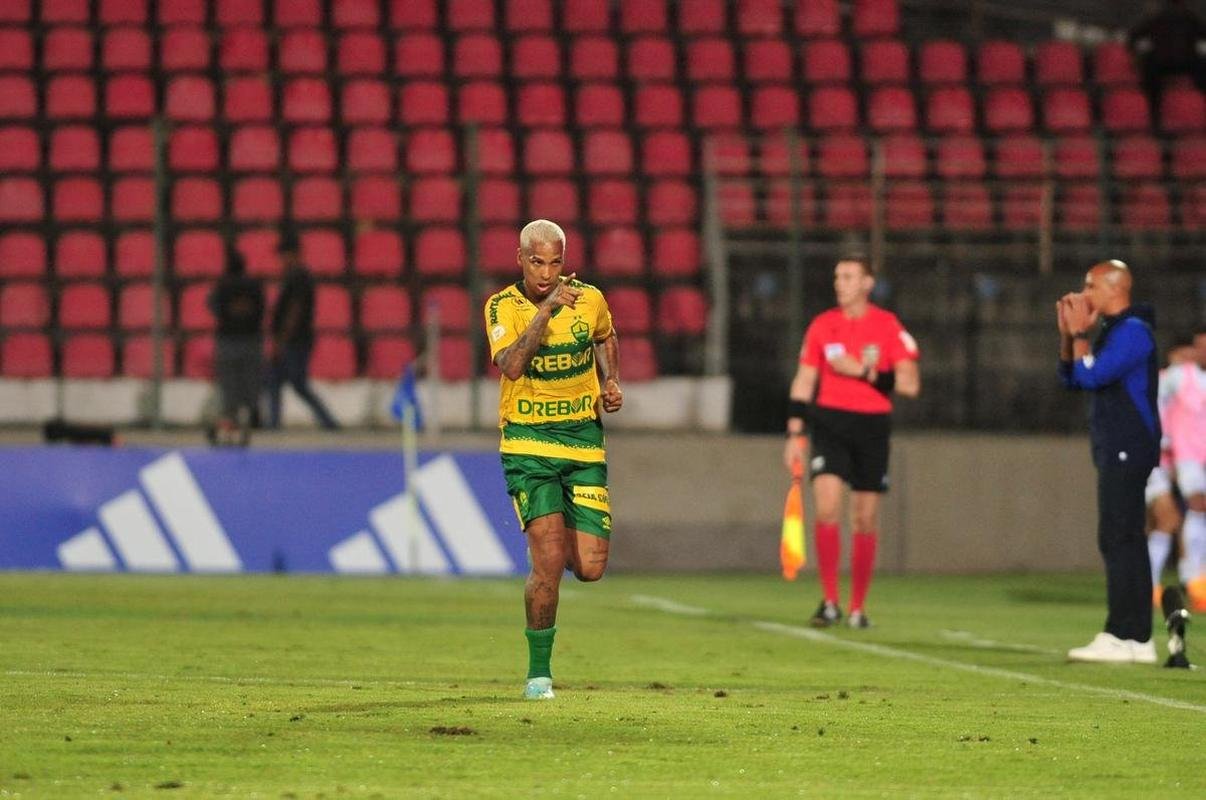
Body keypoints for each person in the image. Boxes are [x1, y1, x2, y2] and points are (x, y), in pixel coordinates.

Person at [484, 219, 622, 700]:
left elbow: (605, 335)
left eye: (555, 262)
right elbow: (513, 364)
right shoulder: (502, 306)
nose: (546, 272)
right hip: (528, 445)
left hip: (583, 443)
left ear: (565, 261)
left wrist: (610, 380)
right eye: (537, 261)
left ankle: (552, 538)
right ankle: (538, 675)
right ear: (519, 258)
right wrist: (544, 312)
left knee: (589, 567)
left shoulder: (590, 300)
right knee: (546, 562)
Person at [783, 255, 920, 629]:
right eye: (836, 275)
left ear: (867, 283)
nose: (839, 282)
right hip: (829, 423)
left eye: (848, 276)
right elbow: (804, 380)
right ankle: (830, 601)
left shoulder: (888, 327)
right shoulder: (823, 326)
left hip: (872, 426)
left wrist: (862, 371)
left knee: (864, 517)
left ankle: (858, 608)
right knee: (827, 507)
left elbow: (910, 384)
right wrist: (796, 431)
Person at [1058, 260, 1161, 664]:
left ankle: (1124, 633)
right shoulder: (1115, 331)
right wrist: (1068, 340)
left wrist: (1080, 335)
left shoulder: (1134, 332)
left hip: (1128, 446)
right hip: (1117, 446)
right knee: (1123, 537)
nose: (1084, 294)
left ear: (1115, 289)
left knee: (1120, 537)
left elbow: (1093, 376)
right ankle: (1136, 638)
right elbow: (1070, 378)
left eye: (1091, 285)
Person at [267, 231, 339, 430]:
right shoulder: (294, 276)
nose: (281, 259)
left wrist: (281, 340)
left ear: (294, 253)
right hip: (292, 339)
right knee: (274, 380)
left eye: (284, 254)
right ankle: (273, 423)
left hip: (295, 340)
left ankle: (328, 421)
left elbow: (294, 311)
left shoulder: (299, 277)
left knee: (297, 383)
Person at [1145, 336, 1196, 599]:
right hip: (1153, 460)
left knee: (1167, 521)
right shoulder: (1160, 382)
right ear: (1172, 355)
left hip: (1174, 460)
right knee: (1168, 518)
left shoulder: (1190, 388)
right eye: (1183, 356)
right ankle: (1149, 586)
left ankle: (1187, 581)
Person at [1159, 327, 1206, 611]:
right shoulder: (1178, 376)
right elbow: (1158, 403)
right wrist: (1164, 441)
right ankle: (1192, 577)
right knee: (1197, 506)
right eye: (1199, 346)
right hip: (1186, 454)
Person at [207, 250, 265, 447]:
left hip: (228, 341)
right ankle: (251, 417)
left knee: (230, 385)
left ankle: (231, 423)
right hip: (251, 340)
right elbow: (262, 309)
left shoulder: (222, 285)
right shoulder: (255, 285)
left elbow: (212, 306)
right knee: (251, 382)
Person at [1127, 0, 1206, 121]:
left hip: (1163, 63)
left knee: (1151, 78)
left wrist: (1141, 52)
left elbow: (1133, 38)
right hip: (1185, 62)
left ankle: (1155, 117)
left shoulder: (1157, 18)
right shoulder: (1190, 18)